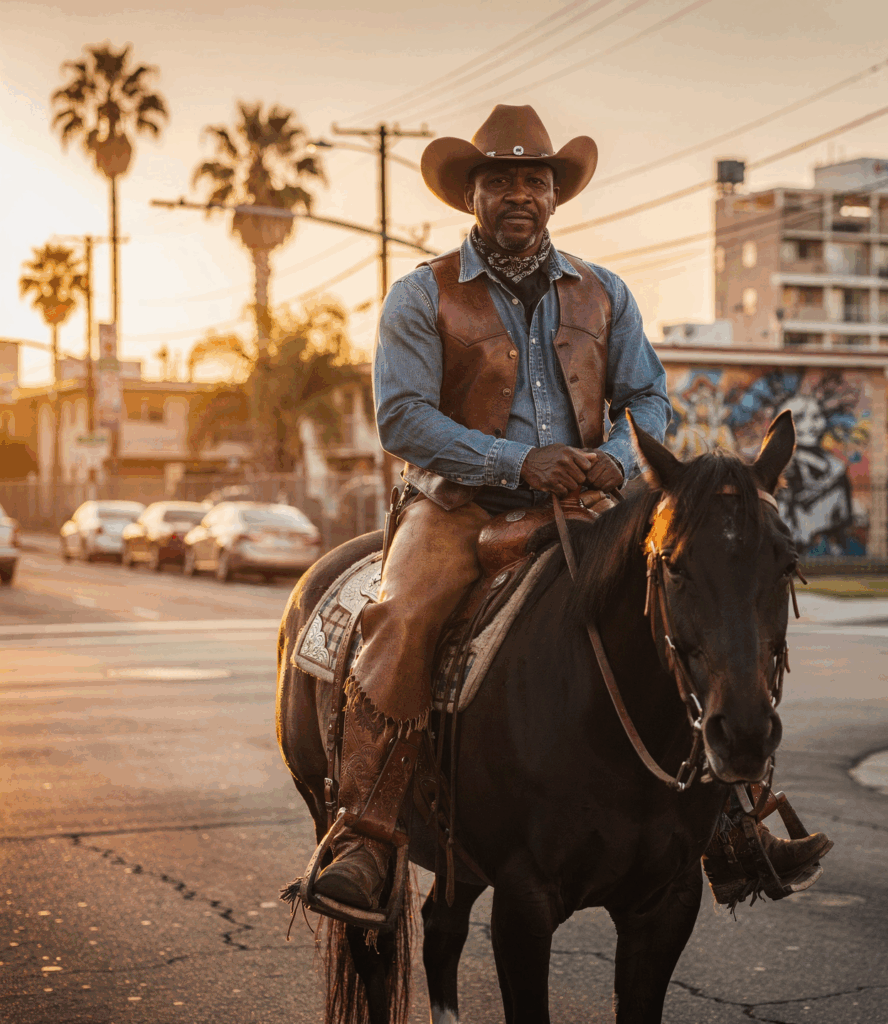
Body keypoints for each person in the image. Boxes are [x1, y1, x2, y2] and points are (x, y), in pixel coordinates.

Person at [314, 105, 830, 914]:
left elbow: (649, 397)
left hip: (594, 502)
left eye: (534, 179)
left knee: (687, 601)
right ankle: (368, 833)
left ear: (554, 197)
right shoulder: (422, 296)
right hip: (456, 505)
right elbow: (402, 418)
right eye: (500, 180)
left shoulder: (603, 293)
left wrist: (617, 462)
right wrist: (519, 460)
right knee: (403, 619)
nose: (518, 193)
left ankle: (731, 817)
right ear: (471, 195)